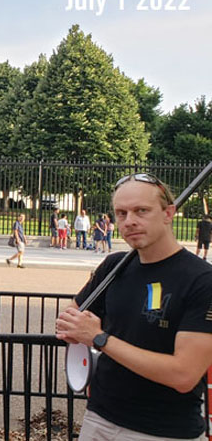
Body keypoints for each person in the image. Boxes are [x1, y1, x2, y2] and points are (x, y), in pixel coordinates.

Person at [55, 173, 212, 441]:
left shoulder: (201, 280)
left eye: (141, 211)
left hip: (164, 431)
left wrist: (100, 338)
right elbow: (73, 316)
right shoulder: (114, 266)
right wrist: (72, 326)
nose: (130, 222)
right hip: (98, 419)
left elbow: (184, 374)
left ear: (168, 213)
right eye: (121, 213)